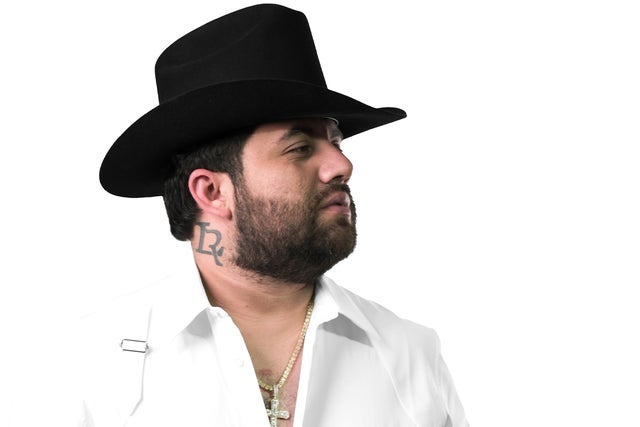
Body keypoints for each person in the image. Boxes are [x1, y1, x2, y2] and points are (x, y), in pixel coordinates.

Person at [79, 3, 469, 426]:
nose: (341, 165)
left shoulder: (409, 354)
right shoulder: (93, 362)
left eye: (336, 142)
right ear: (211, 191)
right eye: (300, 148)